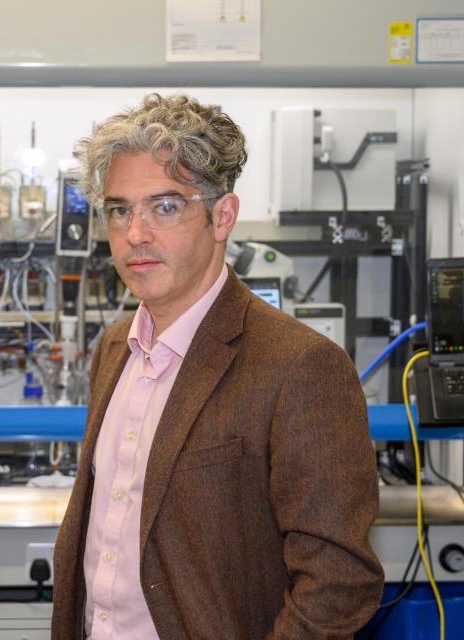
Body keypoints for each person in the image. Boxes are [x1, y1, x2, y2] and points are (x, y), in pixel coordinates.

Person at [51, 94, 383, 640]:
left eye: (164, 207)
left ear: (221, 216)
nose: (135, 234)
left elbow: (339, 580)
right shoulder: (115, 349)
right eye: (119, 210)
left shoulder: (298, 365)